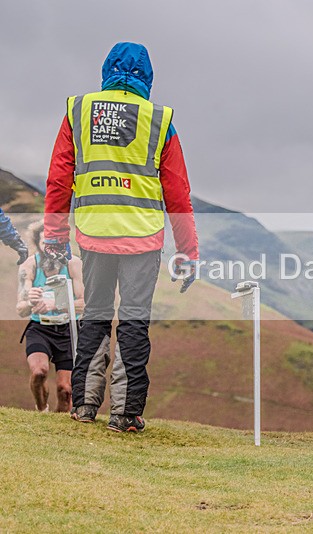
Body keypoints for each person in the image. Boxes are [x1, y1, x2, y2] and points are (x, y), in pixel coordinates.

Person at [44, 42, 199, 433]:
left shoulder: (78, 111)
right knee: (133, 321)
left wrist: (55, 238)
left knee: (95, 315)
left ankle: (84, 405)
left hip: (94, 232)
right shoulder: (159, 120)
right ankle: (125, 414)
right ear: (148, 76)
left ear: (106, 69)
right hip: (142, 238)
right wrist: (188, 252)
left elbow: (59, 179)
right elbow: (177, 193)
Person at [16, 221, 84, 413]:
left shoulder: (73, 264)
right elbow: (20, 309)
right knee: (39, 372)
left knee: (65, 389)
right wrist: (31, 303)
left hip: (68, 330)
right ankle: (42, 409)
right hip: (40, 328)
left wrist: (57, 304)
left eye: (54, 244)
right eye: (45, 243)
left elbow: (84, 304)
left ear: (63, 243)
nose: (50, 249)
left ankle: (60, 424)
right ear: (38, 244)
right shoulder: (29, 265)